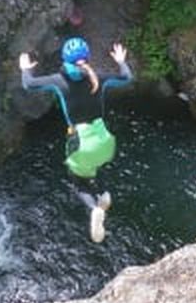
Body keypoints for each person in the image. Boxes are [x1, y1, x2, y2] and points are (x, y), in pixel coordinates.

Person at [19, 36, 133, 240]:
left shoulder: (57, 81)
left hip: (81, 142)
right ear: (87, 57)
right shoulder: (98, 77)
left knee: (78, 181)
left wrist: (25, 68)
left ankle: (94, 209)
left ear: (65, 59)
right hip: (105, 139)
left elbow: (28, 84)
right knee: (97, 164)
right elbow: (126, 77)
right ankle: (103, 193)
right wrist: (121, 61)